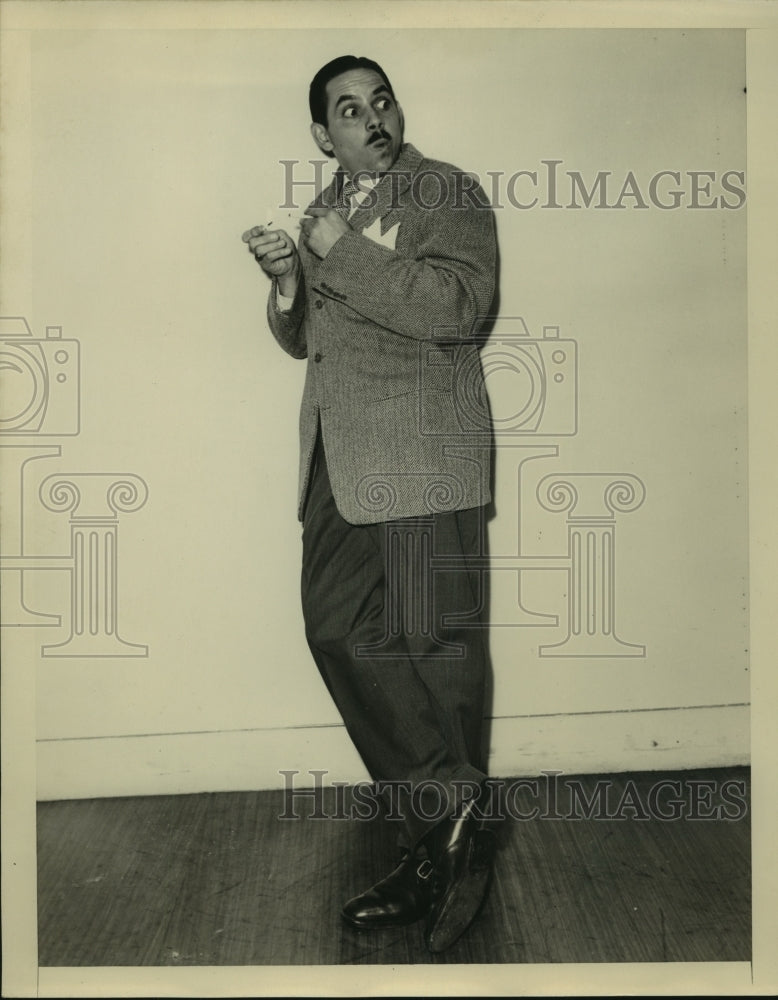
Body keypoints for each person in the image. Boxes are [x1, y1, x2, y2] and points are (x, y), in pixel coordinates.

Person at [242, 55, 498, 954]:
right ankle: (453, 811)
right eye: (350, 110)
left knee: (435, 652)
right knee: (336, 627)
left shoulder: (445, 191)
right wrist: (287, 282)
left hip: (423, 453)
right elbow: (310, 337)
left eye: (381, 100)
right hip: (339, 458)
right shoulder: (325, 211)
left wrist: (337, 253)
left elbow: (460, 307)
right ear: (324, 134)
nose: (373, 118)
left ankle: (439, 853)